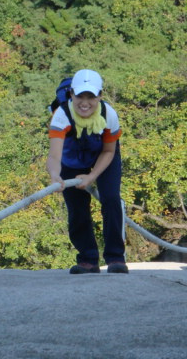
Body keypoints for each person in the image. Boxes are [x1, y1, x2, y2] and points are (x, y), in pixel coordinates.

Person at [47, 69, 128, 274]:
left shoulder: (109, 114)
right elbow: (54, 156)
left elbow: (109, 151)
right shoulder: (61, 115)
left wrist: (92, 176)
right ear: (71, 94)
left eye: (91, 96)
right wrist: (55, 176)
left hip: (103, 154)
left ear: (100, 96)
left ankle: (115, 257)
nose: (85, 102)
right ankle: (88, 259)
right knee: (76, 207)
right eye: (80, 96)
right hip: (71, 158)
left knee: (110, 199)